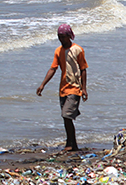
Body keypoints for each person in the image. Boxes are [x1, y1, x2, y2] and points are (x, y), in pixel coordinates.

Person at [36, 24, 88, 152]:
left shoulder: (78, 50)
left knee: (66, 115)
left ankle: (70, 144)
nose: (61, 39)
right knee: (66, 117)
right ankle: (72, 144)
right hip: (63, 89)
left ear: (69, 36)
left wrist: (84, 88)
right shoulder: (58, 51)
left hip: (75, 88)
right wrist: (43, 84)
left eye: (63, 37)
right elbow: (53, 69)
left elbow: (83, 69)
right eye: (59, 37)